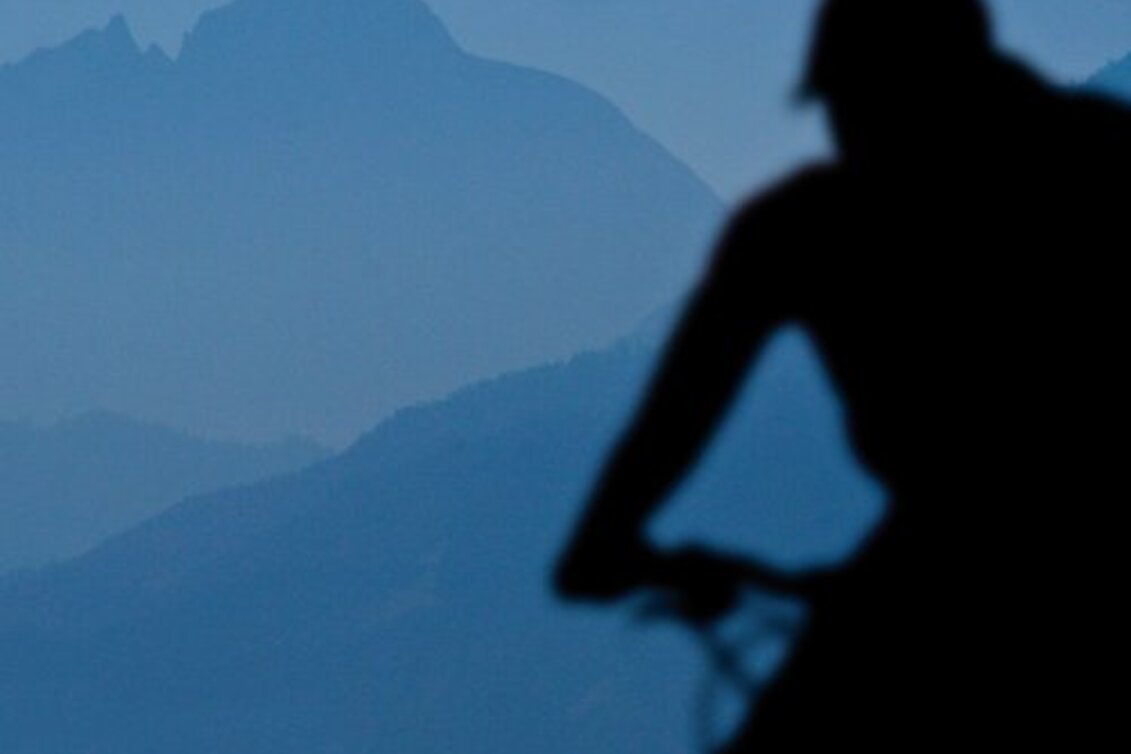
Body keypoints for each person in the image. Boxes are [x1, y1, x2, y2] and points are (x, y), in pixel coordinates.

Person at [553, 0, 1131, 748]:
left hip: (939, 564)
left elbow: (675, 418)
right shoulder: (1098, 157)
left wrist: (605, 546)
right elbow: (674, 418)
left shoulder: (806, 229)